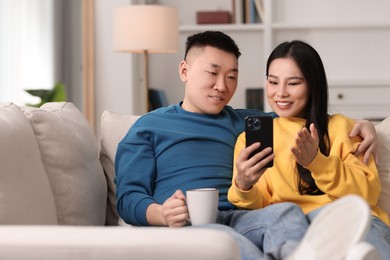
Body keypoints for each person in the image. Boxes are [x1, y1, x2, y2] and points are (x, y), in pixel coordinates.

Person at [115, 31, 378, 259]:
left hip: (241, 216)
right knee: (228, 243)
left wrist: (366, 126)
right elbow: (128, 198)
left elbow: (301, 114)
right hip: (188, 221)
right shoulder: (148, 127)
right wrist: (162, 214)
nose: (222, 86)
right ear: (185, 70)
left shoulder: (247, 122)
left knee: (285, 213)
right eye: (213, 73)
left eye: (231, 76)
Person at [228, 40, 390, 259]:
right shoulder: (252, 138)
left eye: (293, 83)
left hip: (354, 219)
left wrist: (317, 162)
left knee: (365, 242)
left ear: (313, 85)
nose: (280, 93)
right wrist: (243, 185)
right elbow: (265, 208)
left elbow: (367, 194)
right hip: (299, 228)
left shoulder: (343, 128)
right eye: (273, 82)